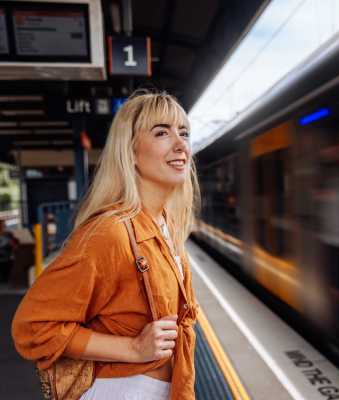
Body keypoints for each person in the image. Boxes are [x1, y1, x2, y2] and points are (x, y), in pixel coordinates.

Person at [12, 91, 200, 400]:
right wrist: (133, 348)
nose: (180, 144)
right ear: (131, 152)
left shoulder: (165, 225)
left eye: (184, 133)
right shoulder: (110, 233)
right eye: (162, 132)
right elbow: (33, 326)